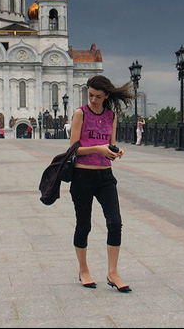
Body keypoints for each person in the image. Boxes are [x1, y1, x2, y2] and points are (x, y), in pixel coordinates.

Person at [68, 74, 134, 292]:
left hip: (105, 176)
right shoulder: (80, 113)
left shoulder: (111, 116)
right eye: (90, 95)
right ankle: (83, 269)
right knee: (84, 224)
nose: (93, 100)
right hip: (82, 176)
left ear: (106, 96)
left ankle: (112, 273)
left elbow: (111, 145)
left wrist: (116, 151)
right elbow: (74, 149)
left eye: (97, 96)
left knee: (115, 223)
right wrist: (98, 148)